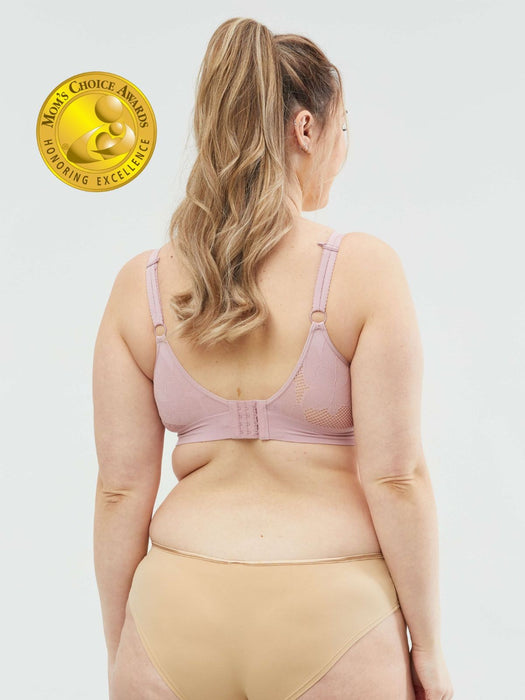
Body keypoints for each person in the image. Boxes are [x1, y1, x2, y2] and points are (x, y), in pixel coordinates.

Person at [93, 16, 453, 700]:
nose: (342, 148)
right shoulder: (362, 271)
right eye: (343, 128)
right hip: (333, 612)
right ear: (305, 129)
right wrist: (429, 648)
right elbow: (396, 477)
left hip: (173, 611)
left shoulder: (141, 285)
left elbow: (118, 491)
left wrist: (124, 644)